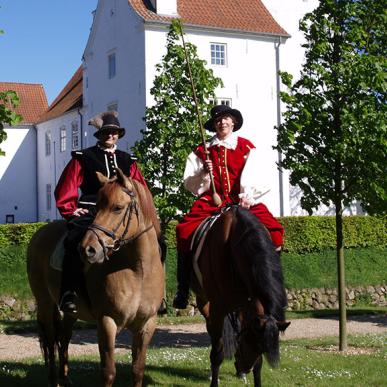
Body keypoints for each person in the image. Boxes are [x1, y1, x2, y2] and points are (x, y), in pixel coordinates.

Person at [173, 104, 285, 309]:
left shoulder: (246, 147)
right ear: (214, 125)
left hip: (242, 199)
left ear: (233, 122)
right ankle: (183, 288)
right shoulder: (202, 151)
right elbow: (189, 183)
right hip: (212, 201)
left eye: (226, 118)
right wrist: (204, 174)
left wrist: (247, 195)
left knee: (275, 231)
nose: (222, 122)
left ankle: (273, 285)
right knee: (183, 230)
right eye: (218, 120)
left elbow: (259, 174)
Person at [55, 111, 148, 314]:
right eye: (106, 132)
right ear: (100, 134)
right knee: (74, 240)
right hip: (90, 209)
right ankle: (68, 293)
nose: (110, 136)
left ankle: (153, 294)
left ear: (119, 135)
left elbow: (141, 189)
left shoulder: (128, 160)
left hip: (122, 214)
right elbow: (67, 186)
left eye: (114, 132)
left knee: (154, 242)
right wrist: (70, 209)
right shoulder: (84, 157)